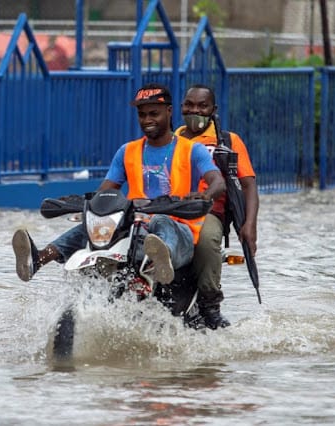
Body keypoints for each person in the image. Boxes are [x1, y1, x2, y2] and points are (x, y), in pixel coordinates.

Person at [12, 83, 226, 299]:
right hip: (134, 227)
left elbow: (217, 181)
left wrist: (205, 195)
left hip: (179, 227)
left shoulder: (193, 150)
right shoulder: (127, 151)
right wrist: (84, 206)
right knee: (89, 225)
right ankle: (38, 259)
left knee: (162, 221)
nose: (147, 120)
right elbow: (104, 193)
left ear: (169, 112)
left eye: (154, 114)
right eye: (142, 115)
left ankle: (162, 259)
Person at [174, 84, 259, 329]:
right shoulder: (172, 139)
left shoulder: (228, 141)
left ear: (213, 109)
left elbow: (249, 185)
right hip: (170, 209)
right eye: (189, 105)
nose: (195, 110)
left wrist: (249, 225)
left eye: (202, 106)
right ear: (180, 107)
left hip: (209, 211)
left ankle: (210, 304)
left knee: (207, 239)